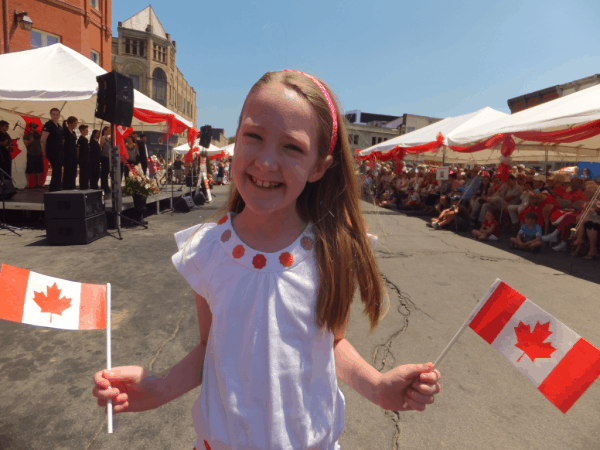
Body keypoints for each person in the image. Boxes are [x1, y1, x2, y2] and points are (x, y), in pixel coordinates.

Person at [92, 70, 442, 450]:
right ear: (236, 138)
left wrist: (376, 385)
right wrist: (157, 389)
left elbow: (331, 343)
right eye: (253, 137)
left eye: (292, 147)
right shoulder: (207, 249)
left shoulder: (334, 248)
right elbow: (213, 347)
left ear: (319, 167)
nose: (266, 161)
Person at [41, 108, 64, 192]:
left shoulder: (59, 126)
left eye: (57, 114)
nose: (55, 116)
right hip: (52, 151)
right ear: (51, 115)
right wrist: (44, 152)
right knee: (56, 169)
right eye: (53, 114)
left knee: (58, 170)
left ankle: (56, 188)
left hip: (59, 151)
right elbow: (43, 140)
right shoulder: (48, 125)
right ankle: (53, 189)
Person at [23, 123, 45, 188]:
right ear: (31, 128)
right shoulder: (26, 135)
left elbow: (44, 140)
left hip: (38, 153)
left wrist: (41, 135)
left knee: (39, 169)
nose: (35, 128)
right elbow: (25, 145)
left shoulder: (39, 134)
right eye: (34, 127)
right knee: (29, 169)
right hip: (30, 153)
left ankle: (38, 183)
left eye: (36, 127)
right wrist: (30, 140)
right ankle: (28, 184)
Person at [62, 116, 79, 190]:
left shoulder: (74, 132)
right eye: (75, 123)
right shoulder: (65, 131)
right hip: (67, 154)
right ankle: (66, 187)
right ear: (70, 123)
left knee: (73, 171)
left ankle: (72, 186)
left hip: (73, 154)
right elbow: (62, 143)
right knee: (67, 171)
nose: (76, 125)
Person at [77, 124, 90, 190]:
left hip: (86, 159)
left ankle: (85, 185)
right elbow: (78, 150)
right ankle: (83, 186)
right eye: (86, 130)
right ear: (81, 130)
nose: (87, 131)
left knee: (86, 173)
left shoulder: (85, 139)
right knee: (83, 173)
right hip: (83, 159)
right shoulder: (81, 139)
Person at [99, 126, 112, 194]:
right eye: (108, 130)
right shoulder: (103, 138)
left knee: (106, 172)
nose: (109, 131)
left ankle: (106, 186)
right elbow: (100, 146)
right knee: (104, 172)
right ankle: (104, 186)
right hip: (104, 157)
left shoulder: (107, 138)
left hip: (107, 156)